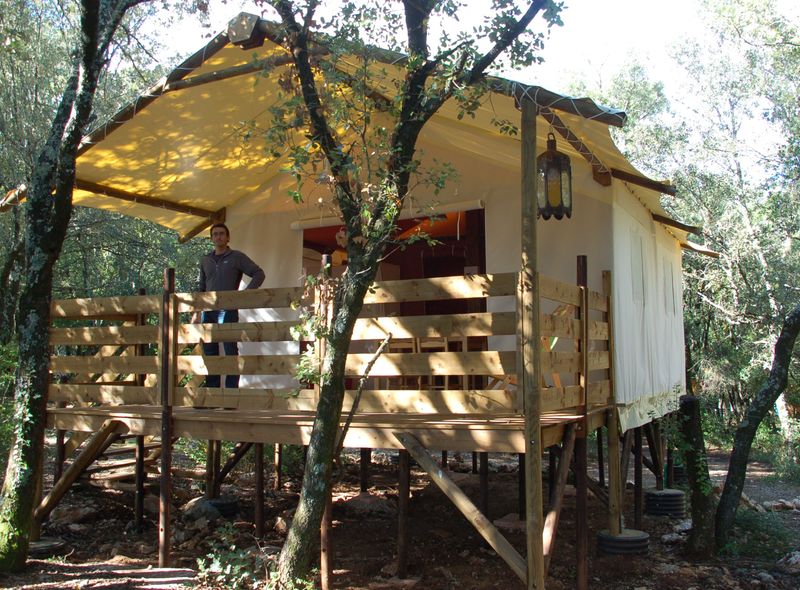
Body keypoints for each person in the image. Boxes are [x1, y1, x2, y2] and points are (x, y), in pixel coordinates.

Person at [194, 222, 265, 388]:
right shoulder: (206, 260)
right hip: (208, 310)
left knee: (230, 350)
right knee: (210, 351)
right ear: (211, 238)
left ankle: (231, 395)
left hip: (228, 310)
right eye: (215, 234)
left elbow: (258, 273)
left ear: (228, 238)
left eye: (221, 234)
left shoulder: (236, 257)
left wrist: (244, 295)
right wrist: (197, 311)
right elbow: (201, 288)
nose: (218, 236)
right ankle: (213, 394)